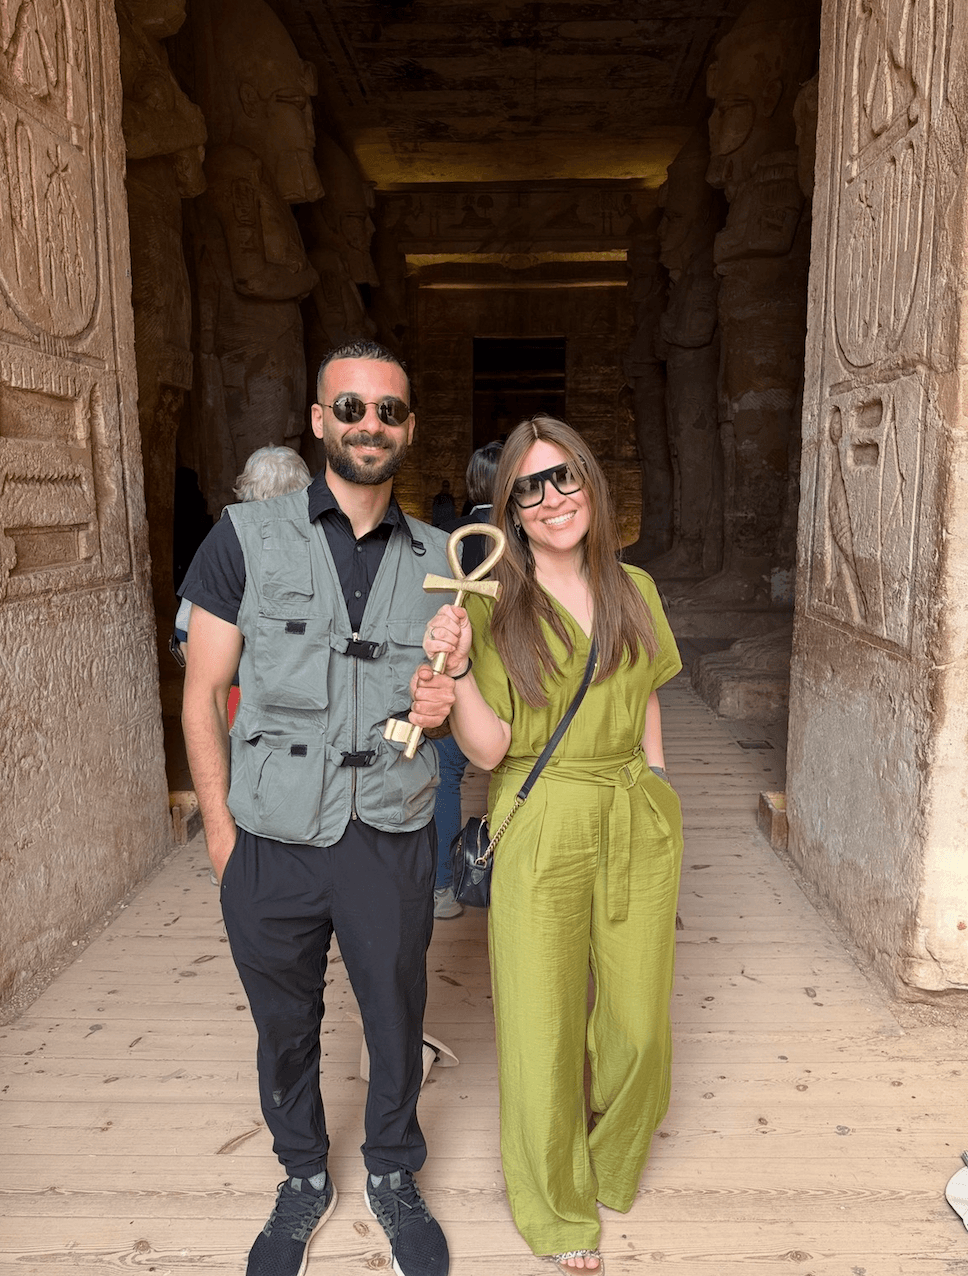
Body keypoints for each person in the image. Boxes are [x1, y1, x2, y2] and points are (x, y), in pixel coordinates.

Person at [179, 340, 455, 1276]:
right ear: (317, 420)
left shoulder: (445, 563)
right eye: (350, 408)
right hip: (272, 837)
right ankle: (303, 1174)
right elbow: (202, 691)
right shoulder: (244, 539)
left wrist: (442, 705)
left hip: (386, 830)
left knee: (391, 1010)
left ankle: (390, 1169)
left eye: (386, 411)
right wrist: (222, 837)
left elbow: (462, 711)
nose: (368, 425)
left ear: (408, 428)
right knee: (285, 1024)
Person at [423, 416, 683, 1273]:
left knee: (640, 1024)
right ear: (511, 510)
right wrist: (456, 672)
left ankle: (610, 1156)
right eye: (527, 488)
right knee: (541, 1027)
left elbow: (646, 693)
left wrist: (656, 781)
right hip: (540, 816)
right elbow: (491, 748)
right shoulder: (496, 604)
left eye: (563, 477)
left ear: (591, 484)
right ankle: (556, 1204)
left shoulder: (633, 587)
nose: (550, 499)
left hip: (631, 811)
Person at [432, 440, 503, 919]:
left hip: (462, 672)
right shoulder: (521, 537)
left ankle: (443, 886)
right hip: (513, 677)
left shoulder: (448, 537)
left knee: (447, 776)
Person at [171, 445, 312, 667]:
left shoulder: (229, 535)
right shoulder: (321, 535)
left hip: (237, 680)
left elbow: (186, 629)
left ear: (247, 484)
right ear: (305, 487)